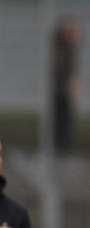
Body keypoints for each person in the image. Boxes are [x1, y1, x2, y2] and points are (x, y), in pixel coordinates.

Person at [52, 19, 80, 153]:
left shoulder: (68, 49)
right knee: (62, 120)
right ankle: (62, 149)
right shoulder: (62, 50)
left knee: (65, 119)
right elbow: (61, 70)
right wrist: (69, 84)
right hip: (61, 90)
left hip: (63, 90)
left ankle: (64, 148)